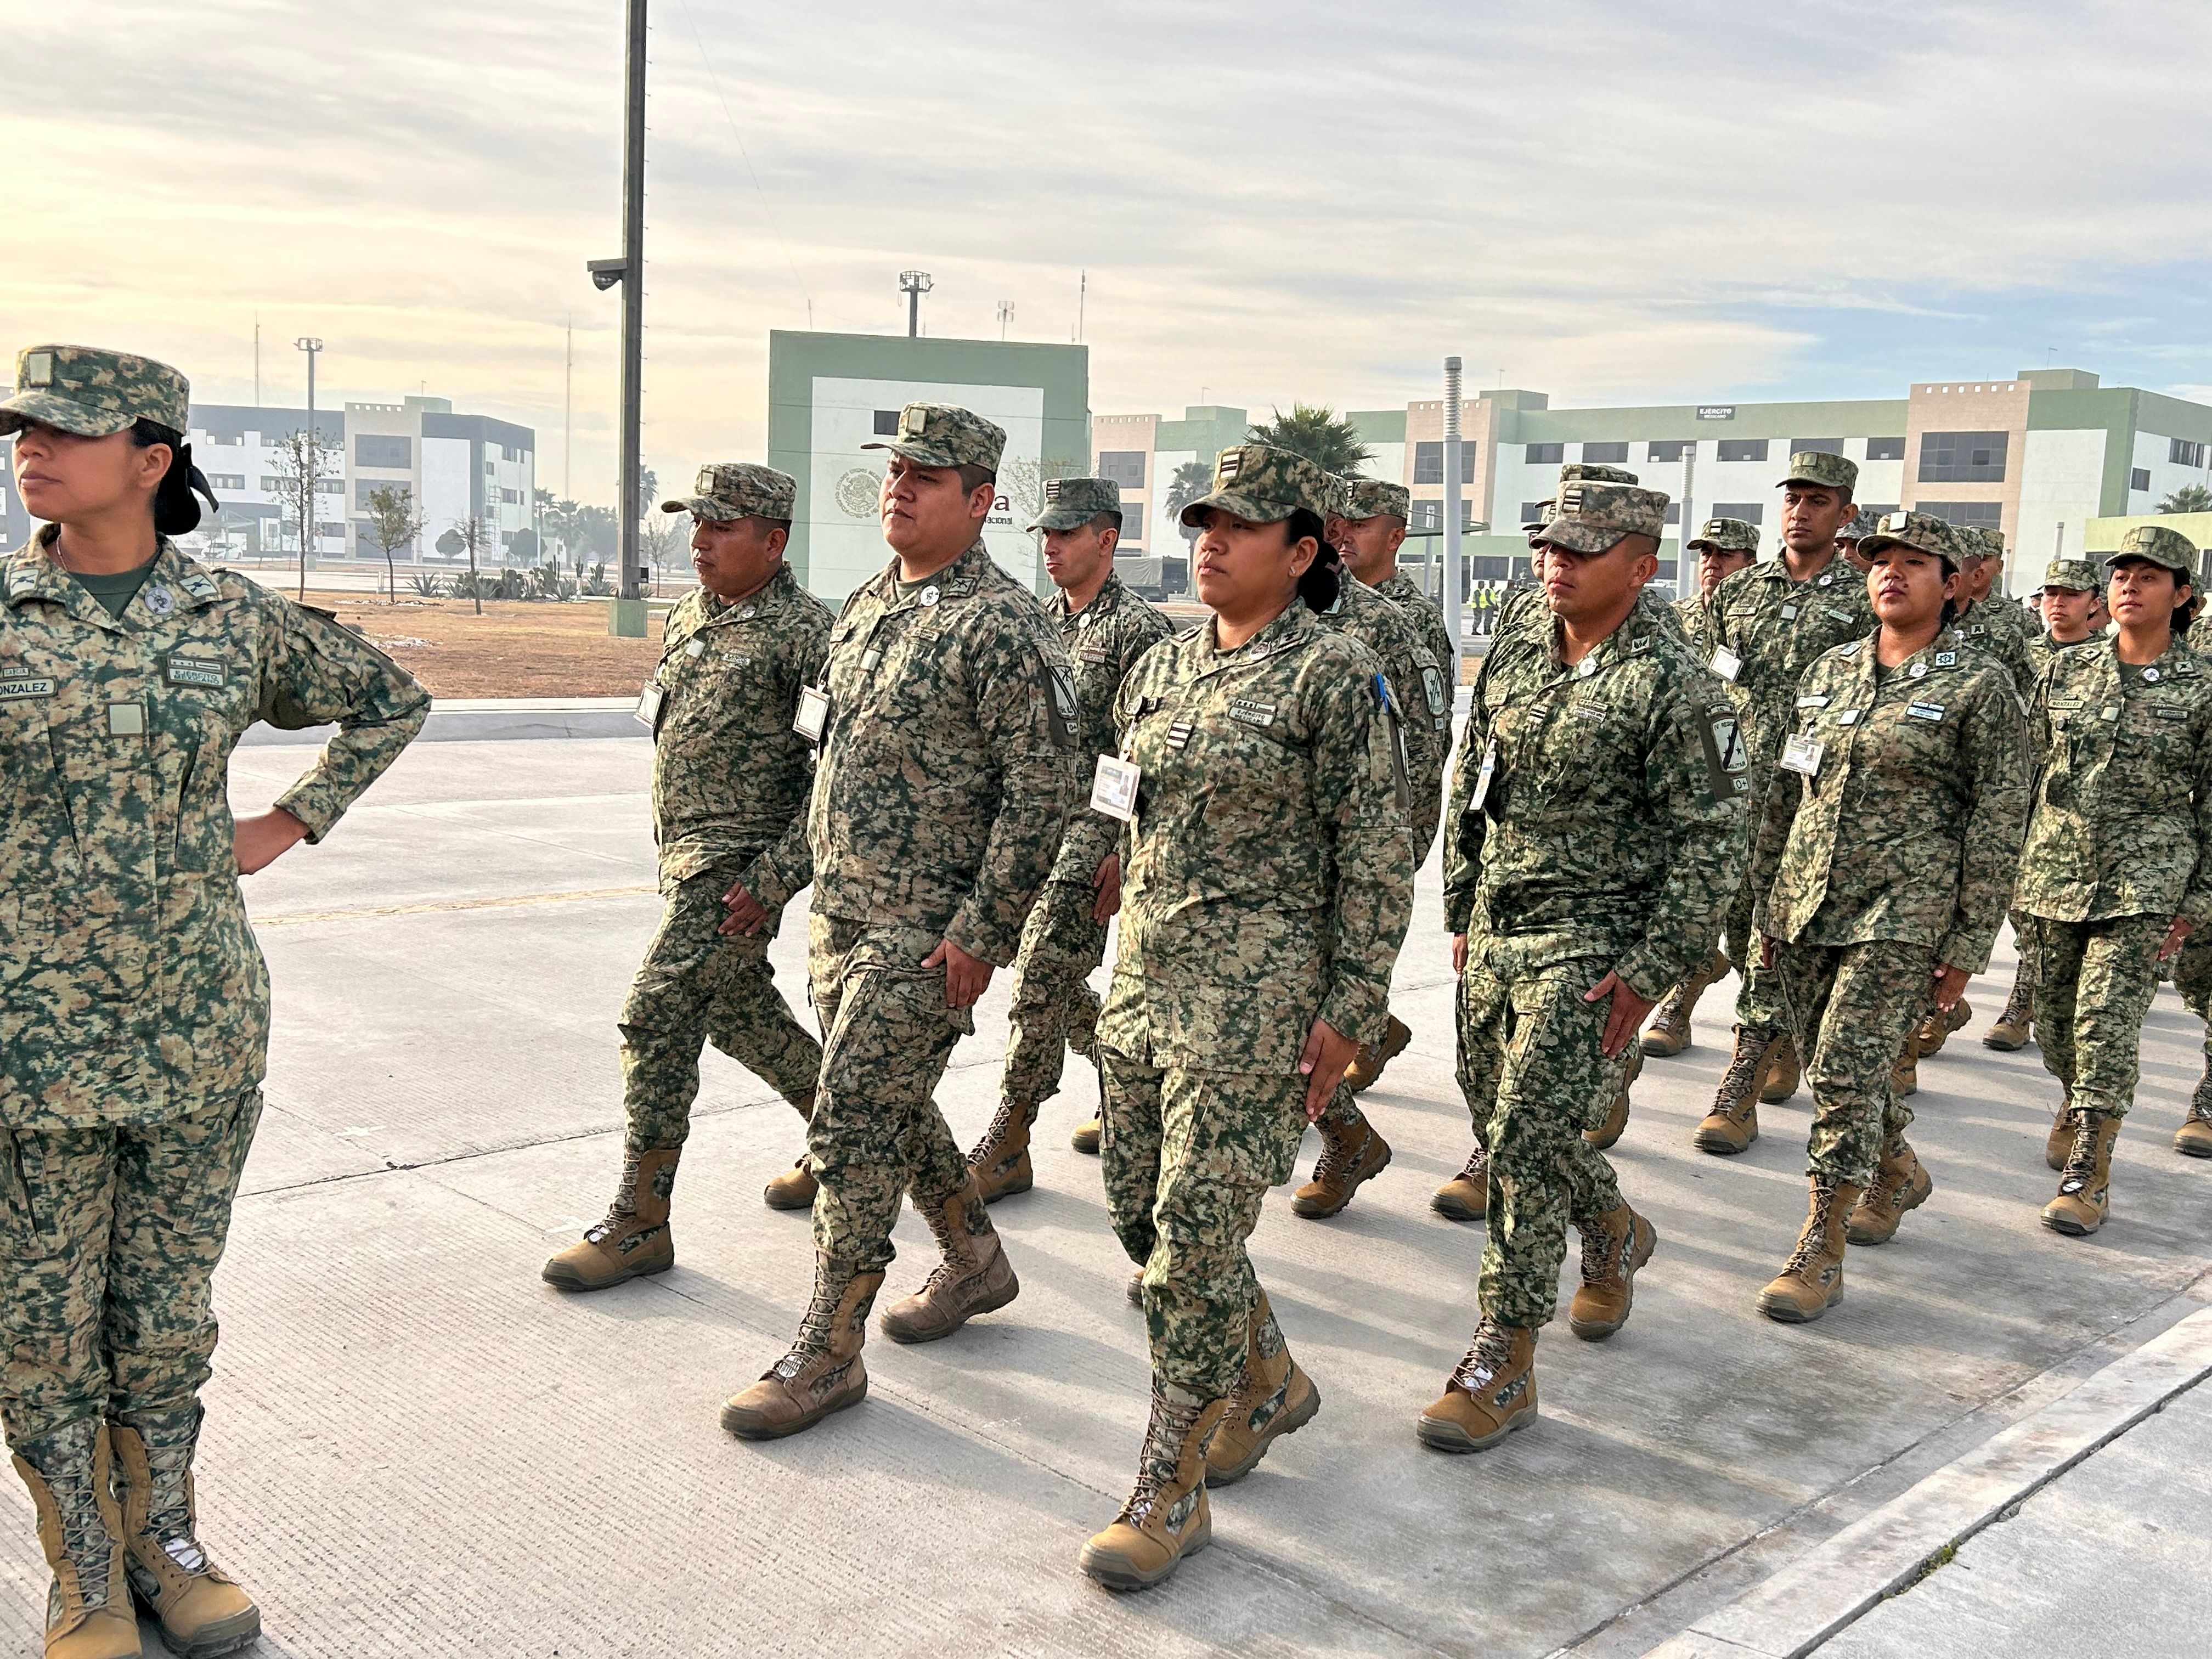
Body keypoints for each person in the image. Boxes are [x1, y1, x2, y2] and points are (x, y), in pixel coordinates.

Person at [2, 344, 428, 1659]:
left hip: (197, 1029)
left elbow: (389, 700)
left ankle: (168, 1542)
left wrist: (288, 821)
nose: (33, 452)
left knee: (167, 1315)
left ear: (151, 459)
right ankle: (82, 1573)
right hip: (31, 1044)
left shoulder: (230, 620)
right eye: (24, 432)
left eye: (66, 432)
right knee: (41, 1324)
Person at [1076, 444, 1412, 1588]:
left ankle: (1171, 1487)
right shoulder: (1161, 668)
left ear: (1303, 551)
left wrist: (1350, 1007)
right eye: (1203, 523)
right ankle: (1268, 1378)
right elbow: (1114, 800)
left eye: (1242, 527)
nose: (1211, 542)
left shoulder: (1336, 675)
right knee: (1139, 1222)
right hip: (1145, 993)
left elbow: (1375, 857)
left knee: (1190, 1254)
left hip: (1258, 1009)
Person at [720, 404, 1079, 1441]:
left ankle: (830, 1347)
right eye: (896, 469)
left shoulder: (1005, 625)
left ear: (981, 501)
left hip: (926, 933)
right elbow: (827, 758)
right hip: (841, 916)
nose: (902, 485)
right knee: (888, 1102)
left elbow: (1044, 793)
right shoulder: (869, 607)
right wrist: (779, 877)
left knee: (850, 1120)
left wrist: (981, 930)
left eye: (930, 474)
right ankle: (973, 1254)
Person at [1421, 477, 1746, 1451]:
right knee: (1496, 1110)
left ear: (1641, 567)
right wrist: (1462, 901)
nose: (1553, 561)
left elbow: (1716, 837)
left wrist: (1652, 967)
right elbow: (1472, 779)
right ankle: (1607, 1221)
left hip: (1598, 942)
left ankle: (1501, 1357)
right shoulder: (1521, 644)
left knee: (1520, 1139)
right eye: (1547, 545)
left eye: (1580, 549)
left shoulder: (1682, 686)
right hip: (1503, 922)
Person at [541, 464, 831, 1293]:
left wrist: (774, 879)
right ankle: (846, 1140)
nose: (699, 539)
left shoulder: (808, 635)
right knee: (737, 1014)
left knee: (655, 1014)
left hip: (737, 871)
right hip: (685, 858)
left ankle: (641, 1221)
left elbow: (838, 777)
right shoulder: (690, 615)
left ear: (773, 543)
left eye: (722, 526)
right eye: (696, 522)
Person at [1746, 512, 2027, 1318]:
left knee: (1839, 1072)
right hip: (1807, 899)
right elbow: (1785, 792)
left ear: (1953, 581)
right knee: (1841, 1066)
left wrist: (1971, 937)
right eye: (1879, 561)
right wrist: (1767, 899)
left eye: (1914, 562)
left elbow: (2000, 817)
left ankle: (1818, 1250)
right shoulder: (1830, 672)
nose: (1891, 574)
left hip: (1904, 910)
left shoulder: (1979, 685)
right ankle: (1897, 1168)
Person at [966, 476, 1171, 1196]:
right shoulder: (1043, 620)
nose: (1050, 546)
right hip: (1033, 823)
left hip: (1094, 820)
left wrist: (1120, 844)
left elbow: (1140, 748)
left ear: (1106, 539)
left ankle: (1012, 1137)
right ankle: (1133, 1080)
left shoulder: (1137, 630)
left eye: (1065, 533)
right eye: (1045, 534)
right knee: (1052, 979)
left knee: (1038, 975)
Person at [2016, 524, 2212, 1232]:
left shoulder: (2202, 687)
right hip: (2054, 873)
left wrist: (2199, 897)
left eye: (2149, 576)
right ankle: (2079, 1096)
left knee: (2107, 1019)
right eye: (2122, 574)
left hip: (2146, 877)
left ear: (2182, 594)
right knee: (2060, 1027)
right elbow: (2028, 776)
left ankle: (2090, 1168)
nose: (2129, 585)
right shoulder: (2066, 672)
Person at [1696, 452, 1876, 1153]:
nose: (1801, 511)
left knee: (1776, 933)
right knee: (1743, 931)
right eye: (1793, 498)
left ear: (1846, 514)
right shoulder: (1740, 595)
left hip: (1811, 803)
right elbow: (1714, 695)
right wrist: (1714, 783)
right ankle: (1790, 1031)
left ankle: (1741, 1079)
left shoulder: (1864, 599)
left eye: (1818, 501)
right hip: (1737, 794)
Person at [1285, 484, 1449, 1219]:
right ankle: (1347, 1131)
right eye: (1331, 520)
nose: (1340, 533)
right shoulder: (1278, 607)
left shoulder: (1391, 627)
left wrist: (1383, 872)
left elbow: (1421, 754)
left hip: (1348, 862)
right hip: (1274, 864)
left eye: (1354, 523)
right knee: (1282, 1017)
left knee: (1288, 1017)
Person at [1899, 526, 2033, 1070]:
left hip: (1937, 843)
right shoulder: (1851, 660)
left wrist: (1971, 942)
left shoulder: (2005, 637)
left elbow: (2021, 718)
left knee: (1861, 1050)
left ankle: (1903, 1054)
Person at [1643, 517, 1759, 1058]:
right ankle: (1678, 1005)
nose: (1712, 563)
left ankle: (1767, 1037)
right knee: (1684, 898)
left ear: (1750, 562)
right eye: (1706, 553)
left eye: (1726, 555)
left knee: (1746, 917)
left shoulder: (1760, 619)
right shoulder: (1676, 618)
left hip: (1756, 781)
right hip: (1686, 776)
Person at [1985, 556, 2104, 1052]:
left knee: (2054, 913)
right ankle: (2027, 994)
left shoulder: (2107, 660)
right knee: (2020, 905)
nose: (2058, 603)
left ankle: (2029, 999)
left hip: (2073, 808)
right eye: (2051, 594)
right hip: (2018, 794)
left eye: (2071, 595)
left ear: (2094, 604)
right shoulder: (2025, 653)